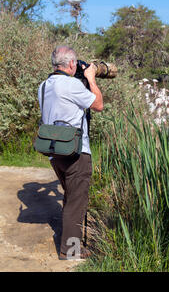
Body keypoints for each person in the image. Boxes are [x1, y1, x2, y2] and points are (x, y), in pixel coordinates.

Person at [38, 45, 104, 260]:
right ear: (72, 64)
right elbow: (98, 105)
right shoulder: (72, 85)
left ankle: (69, 241)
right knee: (77, 200)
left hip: (54, 151)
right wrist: (91, 78)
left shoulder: (44, 85)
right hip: (76, 151)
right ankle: (71, 250)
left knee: (71, 196)